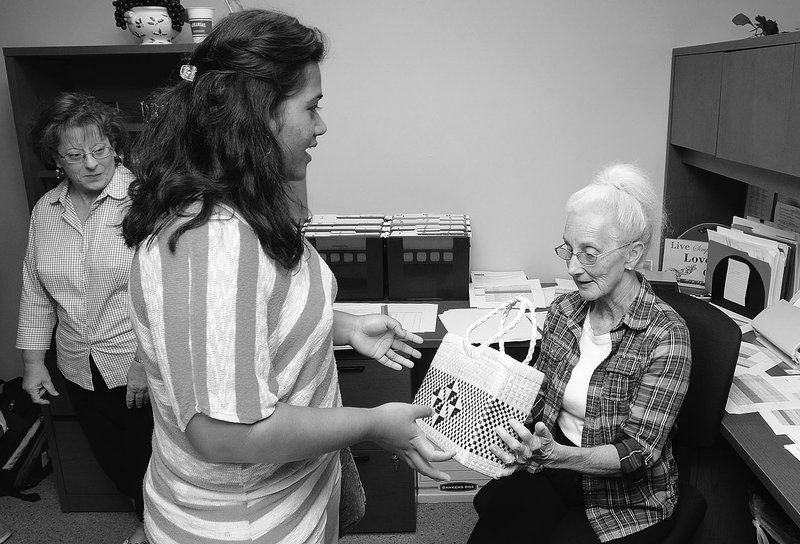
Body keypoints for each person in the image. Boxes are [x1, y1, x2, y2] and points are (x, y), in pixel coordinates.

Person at [120, 9, 453, 544]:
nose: (321, 125)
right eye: (311, 107)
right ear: (258, 114)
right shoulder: (214, 240)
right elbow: (226, 433)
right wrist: (373, 424)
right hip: (247, 524)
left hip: (292, 497)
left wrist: (341, 326)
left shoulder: (246, 202)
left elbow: (254, 314)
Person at [468, 163, 692, 543]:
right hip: (553, 465)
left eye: (589, 253)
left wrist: (554, 456)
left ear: (633, 255)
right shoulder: (565, 311)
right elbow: (540, 397)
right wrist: (504, 418)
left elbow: (638, 452)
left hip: (623, 499)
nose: (573, 267)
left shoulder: (666, 336)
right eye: (568, 249)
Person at [16, 92, 154, 544]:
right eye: (76, 155)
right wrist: (34, 363)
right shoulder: (46, 211)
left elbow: (165, 293)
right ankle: (145, 513)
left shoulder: (145, 201)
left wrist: (145, 361)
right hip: (77, 360)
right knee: (111, 452)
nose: (92, 164)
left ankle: (155, 525)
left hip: (137, 359)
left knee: (153, 452)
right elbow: (36, 290)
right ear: (57, 159)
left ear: (116, 145)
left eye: (100, 150)